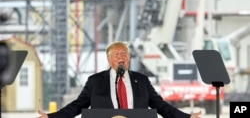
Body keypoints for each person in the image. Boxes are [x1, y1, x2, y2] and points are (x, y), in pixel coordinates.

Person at [37, 41, 201, 118]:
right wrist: (51, 117)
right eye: (117, 55)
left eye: (125, 54)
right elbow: (77, 106)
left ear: (129, 58)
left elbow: (160, 105)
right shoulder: (95, 81)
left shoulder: (142, 80)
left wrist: (187, 117)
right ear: (109, 60)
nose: (121, 57)